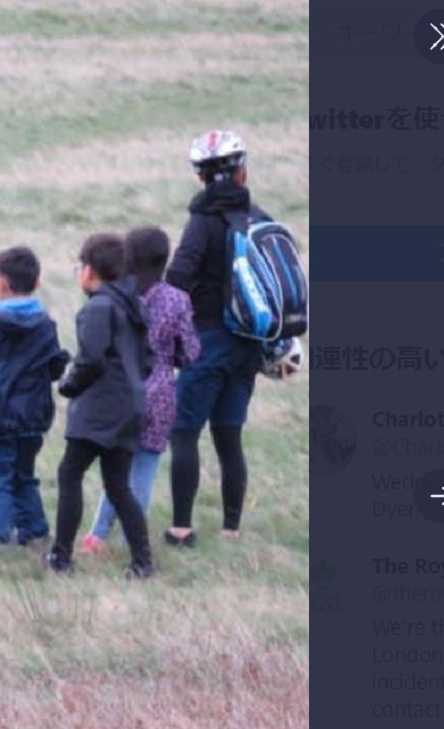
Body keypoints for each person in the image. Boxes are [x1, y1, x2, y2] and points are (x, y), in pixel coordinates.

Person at [164, 129, 274, 547]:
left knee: (185, 433)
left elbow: (177, 277)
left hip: (207, 341)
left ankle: (181, 528)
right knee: (229, 436)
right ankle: (230, 529)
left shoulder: (202, 222)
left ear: (200, 177)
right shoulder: (260, 218)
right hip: (249, 345)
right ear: (242, 172)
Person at [83, 225, 198, 555]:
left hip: (119, 389)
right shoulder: (177, 300)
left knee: (116, 470)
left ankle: (96, 536)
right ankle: (131, 540)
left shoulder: (116, 297)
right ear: (165, 260)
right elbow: (189, 353)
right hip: (161, 392)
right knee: (144, 469)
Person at [47, 233, 153, 579]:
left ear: (90, 270)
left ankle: (61, 557)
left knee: (70, 473)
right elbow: (149, 360)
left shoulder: (97, 308)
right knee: (118, 485)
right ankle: (142, 562)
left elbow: (90, 360)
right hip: (131, 406)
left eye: (79, 266)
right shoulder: (134, 304)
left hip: (100, 407)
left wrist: (68, 386)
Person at [0, 246, 67, 546]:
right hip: (32, 418)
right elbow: (53, 368)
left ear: (2, 283)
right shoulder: (46, 327)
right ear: (37, 283)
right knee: (24, 477)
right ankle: (35, 532)